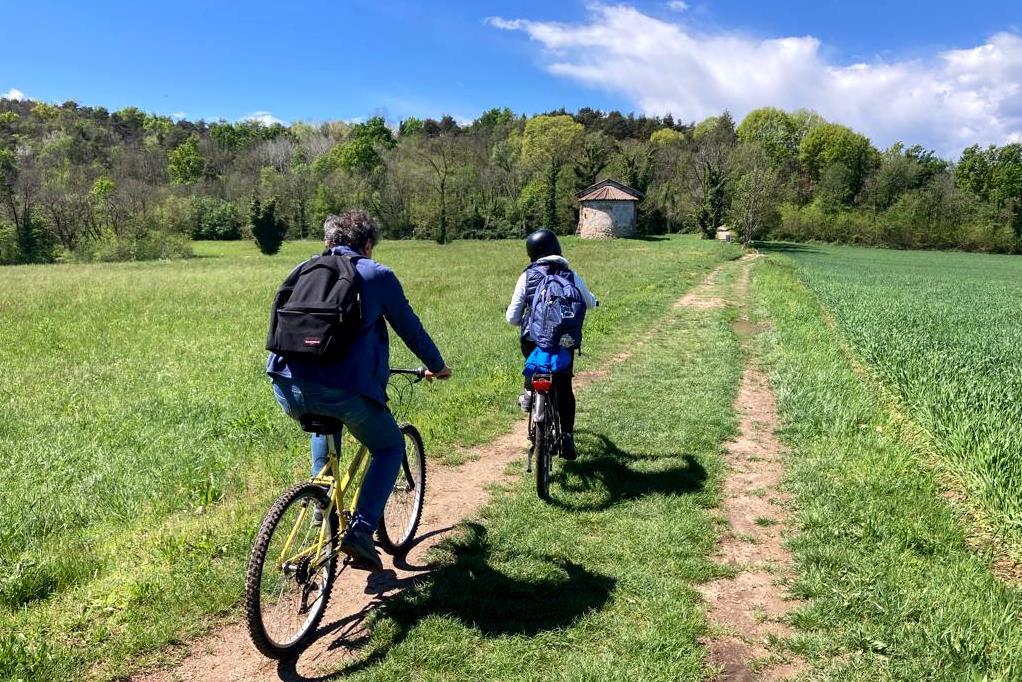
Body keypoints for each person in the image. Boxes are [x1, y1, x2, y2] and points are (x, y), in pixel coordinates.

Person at [267, 210, 451, 572]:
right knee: (389, 445)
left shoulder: (303, 269)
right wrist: (438, 365)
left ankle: (324, 509)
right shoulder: (376, 275)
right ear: (367, 245)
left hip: (286, 386)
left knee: (325, 424)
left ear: (327, 242)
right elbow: (410, 329)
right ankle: (362, 531)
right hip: (343, 390)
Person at [505, 229, 597, 460]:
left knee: (533, 361)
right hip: (564, 341)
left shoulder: (527, 276)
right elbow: (588, 302)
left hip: (534, 339)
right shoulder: (571, 276)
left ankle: (529, 391)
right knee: (564, 387)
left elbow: (512, 317)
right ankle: (567, 436)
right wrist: (594, 301)